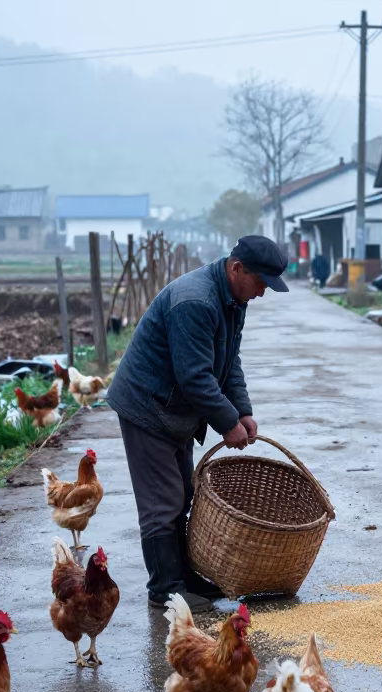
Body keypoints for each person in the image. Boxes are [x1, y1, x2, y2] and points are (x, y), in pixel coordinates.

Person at [106, 235, 289, 611]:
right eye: (261, 283)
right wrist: (227, 423)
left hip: (175, 409)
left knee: (184, 495)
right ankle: (165, 589)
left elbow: (228, 361)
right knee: (163, 501)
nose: (262, 293)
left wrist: (243, 410)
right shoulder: (196, 301)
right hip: (148, 406)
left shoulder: (233, 299)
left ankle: (183, 578)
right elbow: (195, 377)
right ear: (237, 269)